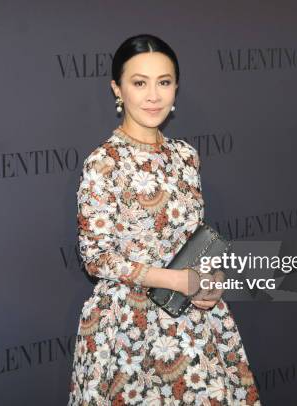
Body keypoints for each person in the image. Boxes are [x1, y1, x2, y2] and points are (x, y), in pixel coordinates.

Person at [68, 34, 261, 406]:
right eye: (139, 83)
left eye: (164, 82)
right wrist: (175, 279)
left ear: (176, 89)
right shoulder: (104, 163)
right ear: (117, 90)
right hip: (127, 327)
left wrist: (209, 279)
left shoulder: (186, 156)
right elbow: (96, 258)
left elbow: (193, 240)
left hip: (194, 318)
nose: (153, 96)